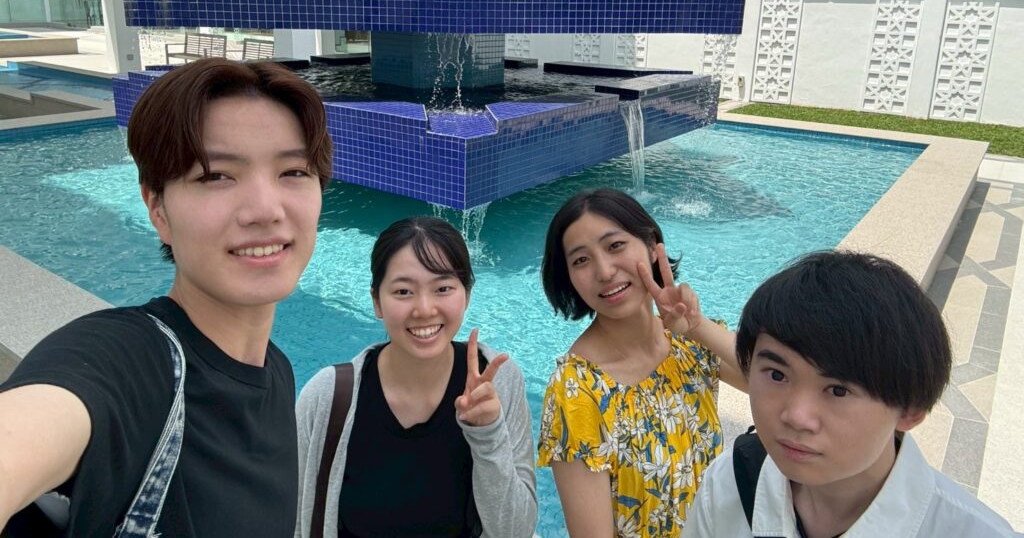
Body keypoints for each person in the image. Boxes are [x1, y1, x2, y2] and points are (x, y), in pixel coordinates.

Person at [0, 58, 331, 536]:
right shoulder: (129, 360)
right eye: (215, 175)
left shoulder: (276, 372)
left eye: (294, 171)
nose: (266, 209)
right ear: (157, 208)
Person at [682, 250, 1021, 538]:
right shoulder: (728, 484)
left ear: (910, 408)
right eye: (777, 374)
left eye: (838, 390)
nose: (796, 416)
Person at [294, 216, 537, 538]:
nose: (424, 309)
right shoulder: (328, 396)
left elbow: (516, 531)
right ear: (376, 301)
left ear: (467, 294)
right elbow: (293, 518)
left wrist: (487, 433)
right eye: (404, 291)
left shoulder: (497, 383)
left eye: (443, 289)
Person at [536, 188, 746, 538]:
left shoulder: (686, 342)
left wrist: (698, 327)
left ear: (652, 246)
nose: (605, 271)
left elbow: (777, 382)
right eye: (581, 260)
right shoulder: (577, 392)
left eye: (615, 245)